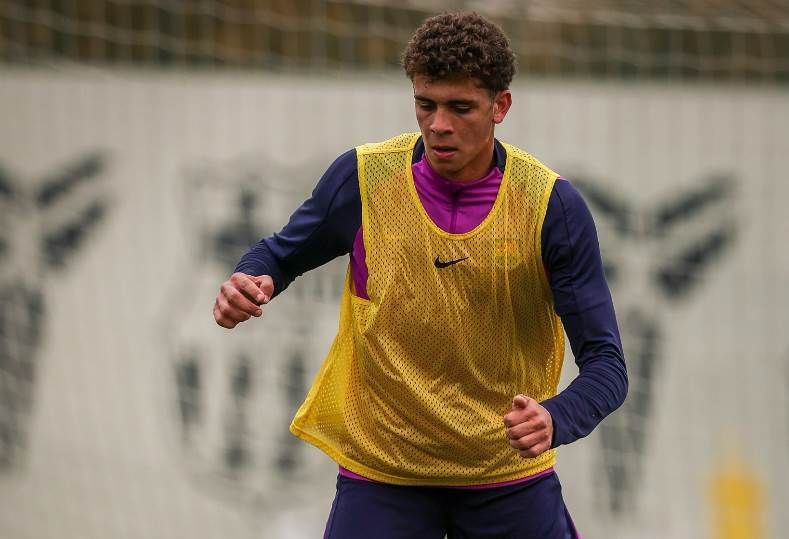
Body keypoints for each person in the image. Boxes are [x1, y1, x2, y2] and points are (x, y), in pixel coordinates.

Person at [213, 11, 627, 539]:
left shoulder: (551, 208)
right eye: (425, 104)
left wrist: (556, 417)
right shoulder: (364, 179)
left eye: (461, 107)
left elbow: (608, 366)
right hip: (383, 476)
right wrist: (247, 281)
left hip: (506, 478)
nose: (438, 125)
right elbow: (277, 256)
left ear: (501, 106)